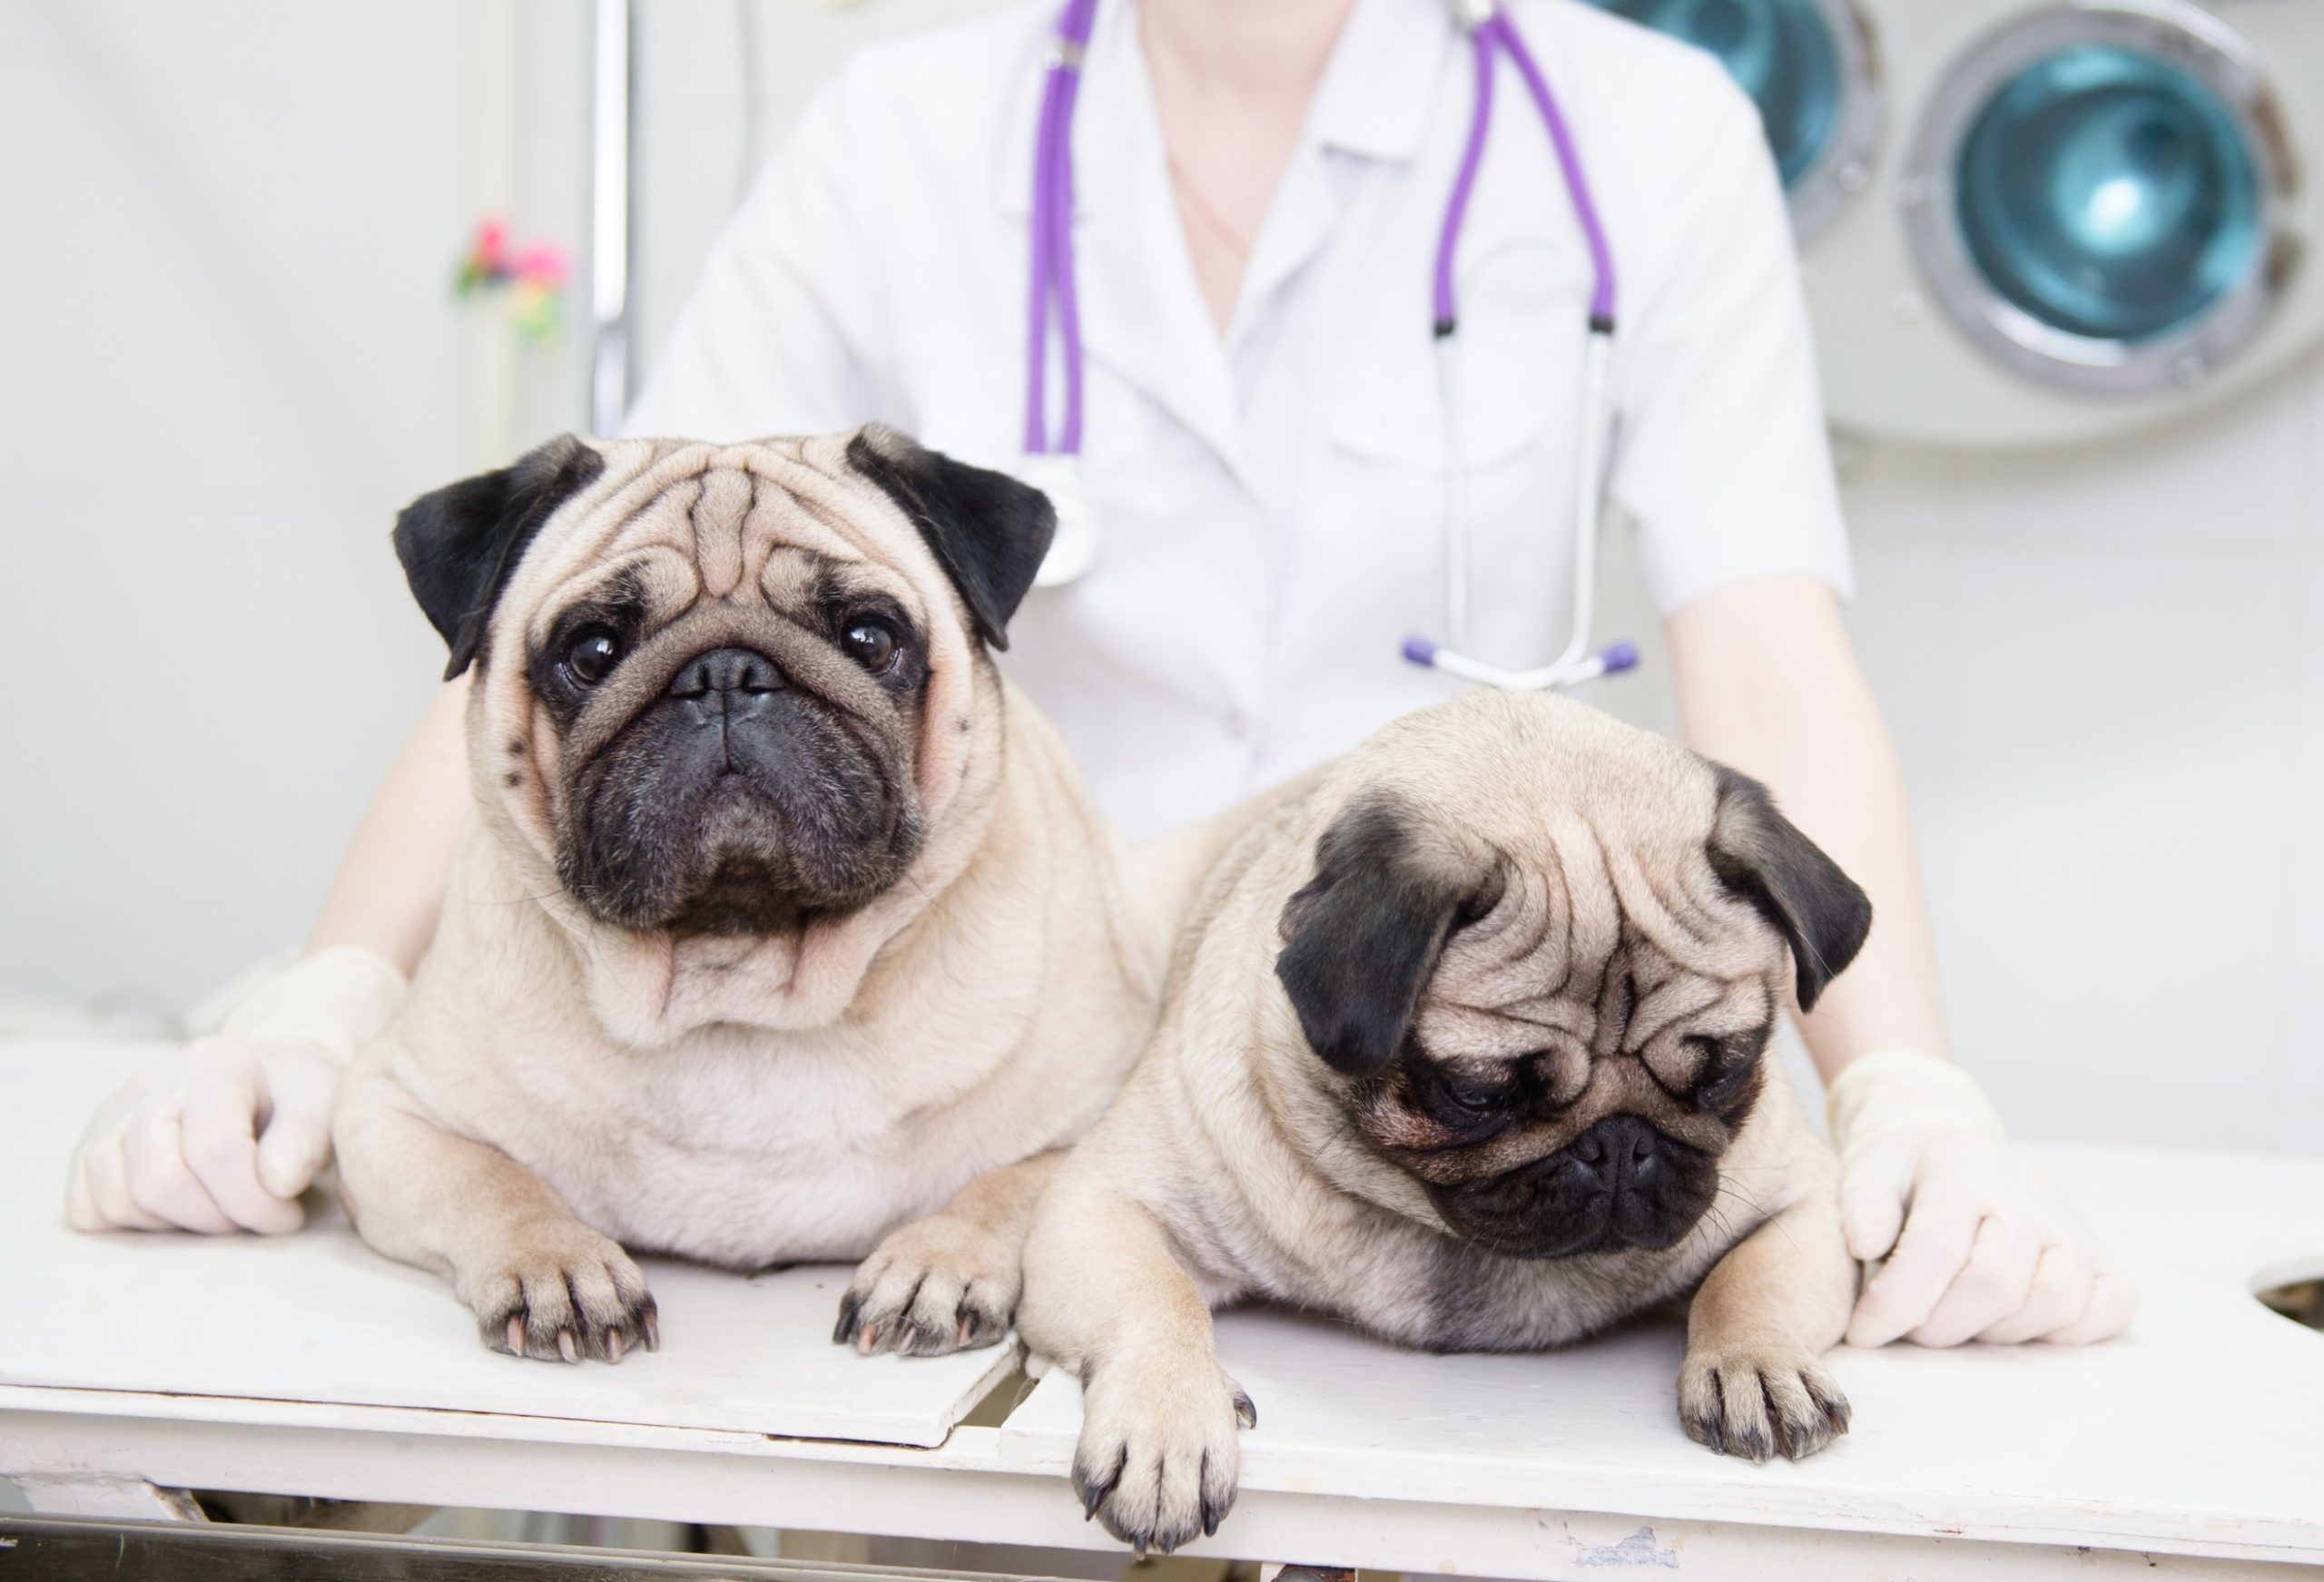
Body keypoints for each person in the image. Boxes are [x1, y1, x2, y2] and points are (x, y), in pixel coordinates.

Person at [69, 0, 2132, 1350]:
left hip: (1439, 1110)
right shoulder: (907, 127)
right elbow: (592, 620)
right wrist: (338, 988)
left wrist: (1904, 1085)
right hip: (995, 1101)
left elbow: (1766, 659)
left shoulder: (1644, 129)